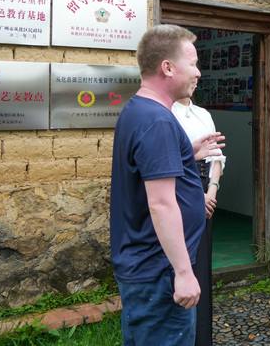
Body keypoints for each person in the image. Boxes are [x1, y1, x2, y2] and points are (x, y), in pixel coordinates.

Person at [111, 24, 225, 345]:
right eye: (193, 63)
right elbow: (161, 203)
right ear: (168, 67)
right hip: (159, 274)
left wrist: (186, 153)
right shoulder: (158, 121)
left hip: (145, 269)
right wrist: (185, 273)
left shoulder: (139, 110)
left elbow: (143, 171)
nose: (198, 72)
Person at [172, 95, 226, 346]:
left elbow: (217, 157)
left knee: (201, 265)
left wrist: (212, 190)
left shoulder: (204, 114)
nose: (195, 77)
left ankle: (201, 338)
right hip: (178, 190)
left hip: (206, 190)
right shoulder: (165, 113)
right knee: (178, 263)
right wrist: (196, 197)